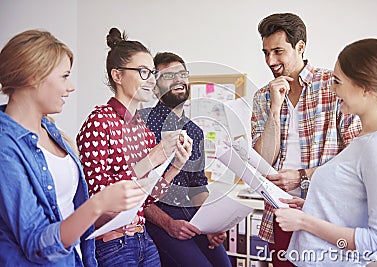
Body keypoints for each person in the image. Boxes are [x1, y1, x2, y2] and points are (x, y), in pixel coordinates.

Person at [0, 29, 147, 266]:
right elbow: (38, 245)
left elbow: (69, 210)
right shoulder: (5, 147)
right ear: (33, 77)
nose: (70, 87)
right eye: (64, 76)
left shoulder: (51, 131)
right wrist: (98, 204)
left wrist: (107, 211)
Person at [274, 38, 377, 266]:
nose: (332, 89)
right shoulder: (365, 141)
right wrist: (314, 208)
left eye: (337, 82)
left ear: (366, 88)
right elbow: (353, 208)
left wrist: (305, 222)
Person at [251, 13, 362, 266]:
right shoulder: (262, 97)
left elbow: (356, 154)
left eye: (278, 51)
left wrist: (302, 175)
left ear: (300, 47)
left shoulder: (332, 86)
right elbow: (262, 159)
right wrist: (274, 109)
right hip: (280, 212)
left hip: (326, 211)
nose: (271, 60)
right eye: (266, 52)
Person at [76, 28, 192, 267]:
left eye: (152, 73)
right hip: (111, 244)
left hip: (142, 239)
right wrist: (151, 159)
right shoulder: (99, 122)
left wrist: (175, 166)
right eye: (143, 72)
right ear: (117, 76)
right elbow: (96, 195)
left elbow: (146, 199)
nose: (151, 80)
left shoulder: (142, 127)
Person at [139, 52, 231, 267]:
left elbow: (197, 186)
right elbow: (136, 188)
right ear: (155, 86)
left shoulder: (195, 131)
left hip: (190, 215)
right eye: (169, 75)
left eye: (182, 74)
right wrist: (168, 223)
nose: (178, 79)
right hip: (155, 218)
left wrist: (212, 224)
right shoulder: (141, 122)